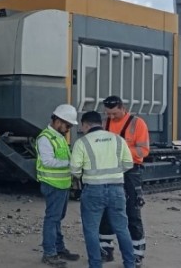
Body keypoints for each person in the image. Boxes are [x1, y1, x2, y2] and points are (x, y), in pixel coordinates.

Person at [70, 111, 136, 268]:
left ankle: (95, 264)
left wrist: (84, 174)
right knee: (122, 229)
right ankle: (130, 264)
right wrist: (114, 173)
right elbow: (128, 164)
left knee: (91, 230)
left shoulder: (82, 142)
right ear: (100, 123)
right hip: (117, 190)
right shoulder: (118, 140)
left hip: (93, 191)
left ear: (86, 124)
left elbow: (74, 169)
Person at [99, 95, 149, 267]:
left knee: (132, 211)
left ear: (122, 107)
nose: (111, 118)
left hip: (130, 172)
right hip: (109, 170)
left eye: (114, 114)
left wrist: (120, 151)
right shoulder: (105, 124)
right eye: (108, 114)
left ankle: (137, 254)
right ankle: (105, 249)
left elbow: (143, 150)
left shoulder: (137, 124)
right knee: (106, 209)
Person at [35, 104, 81, 267]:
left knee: (57, 219)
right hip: (52, 184)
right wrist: (71, 164)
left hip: (61, 185)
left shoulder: (58, 136)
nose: (68, 128)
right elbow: (48, 161)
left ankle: (58, 248)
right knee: (52, 219)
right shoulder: (45, 138)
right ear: (57, 120)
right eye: (67, 125)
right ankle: (49, 253)